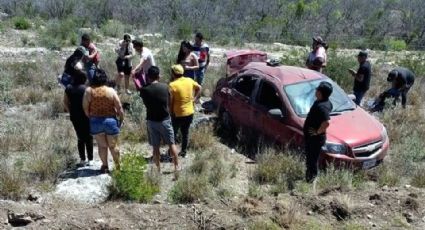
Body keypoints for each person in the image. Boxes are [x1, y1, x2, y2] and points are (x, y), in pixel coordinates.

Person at [83, 69, 124, 173]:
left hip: (96, 121)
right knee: (113, 145)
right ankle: (118, 167)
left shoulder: (88, 91)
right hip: (110, 120)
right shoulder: (111, 90)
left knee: (102, 146)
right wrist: (121, 120)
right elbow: (119, 108)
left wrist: (91, 117)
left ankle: (105, 166)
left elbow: (85, 108)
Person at [140, 66, 179, 174]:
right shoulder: (165, 87)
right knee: (172, 144)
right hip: (165, 119)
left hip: (151, 121)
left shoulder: (144, 90)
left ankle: (158, 169)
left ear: (148, 76)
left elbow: (145, 103)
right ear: (158, 75)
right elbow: (169, 101)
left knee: (155, 147)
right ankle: (177, 167)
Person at [169, 64, 202, 157]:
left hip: (178, 114)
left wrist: (171, 112)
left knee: (173, 133)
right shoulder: (189, 80)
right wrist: (194, 99)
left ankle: (172, 153)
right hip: (189, 112)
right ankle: (183, 152)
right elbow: (199, 87)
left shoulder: (172, 85)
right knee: (185, 133)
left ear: (173, 74)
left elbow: (170, 102)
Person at [303, 81, 333, 182]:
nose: (315, 91)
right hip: (313, 138)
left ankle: (311, 180)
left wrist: (317, 132)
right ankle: (310, 177)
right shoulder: (325, 102)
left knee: (312, 160)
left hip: (315, 139)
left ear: (320, 92)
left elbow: (327, 122)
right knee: (311, 158)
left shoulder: (322, 107)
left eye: (317, 89)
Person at [64, 70, 93, 166]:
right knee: (89, 136)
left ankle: (82, 159)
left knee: (80, 137)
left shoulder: (68, 88)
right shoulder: (86, 89)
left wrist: (70, 111)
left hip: (75, 116)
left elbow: (65, 102)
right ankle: (90, 159)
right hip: (87, 115)